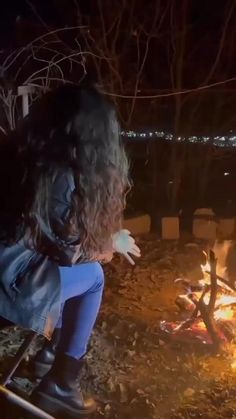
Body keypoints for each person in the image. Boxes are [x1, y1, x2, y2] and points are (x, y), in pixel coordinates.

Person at [0, 84, 141, 417]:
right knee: (92, 277)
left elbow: (45, 237)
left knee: (56, 272)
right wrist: (112, 243)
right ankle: (61, 384)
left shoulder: (17, 156)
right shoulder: (59, 177)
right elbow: (75, 253)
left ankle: (49, 356)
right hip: (4, 290)